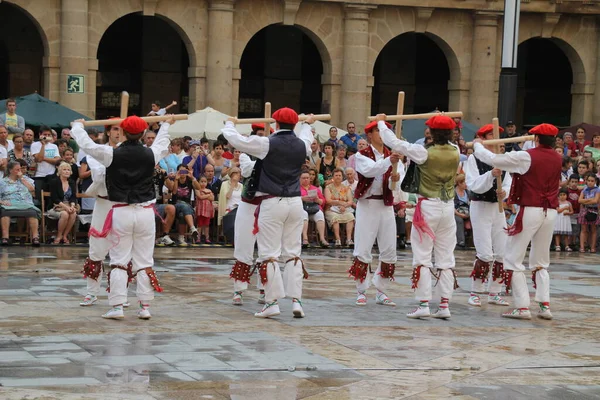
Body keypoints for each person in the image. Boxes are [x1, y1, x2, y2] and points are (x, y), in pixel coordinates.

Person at [71, 115, 173, 320]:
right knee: (144, 260)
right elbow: (162, 142)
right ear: (144, 134)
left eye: (120, 129)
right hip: (143, 210)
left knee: (119, 259)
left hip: (121, 209)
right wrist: (167, 124)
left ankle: (117, 305)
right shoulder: (149, 154)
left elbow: (86, 145)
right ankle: (144, 306)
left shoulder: (110, 154)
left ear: (124, 133)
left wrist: (77, 127)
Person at [222, 108, 314, 319]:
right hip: (295, 203)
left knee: (269, 254)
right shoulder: (302, 145)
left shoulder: (267, 144)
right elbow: (307, 137)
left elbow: (235, 140)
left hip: (272, 202)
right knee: (293, 252)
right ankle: (296, 301)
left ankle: (272, 302)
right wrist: (308, 124)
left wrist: (229, 122)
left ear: (277, 125)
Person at [473, 123, 561, 320]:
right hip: (550, 212)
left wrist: (478, 145)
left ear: (536, 139)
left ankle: (522, 307)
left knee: (512, 258)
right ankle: (544, 306)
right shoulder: (557, 157)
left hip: (531, 209)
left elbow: (494, 159)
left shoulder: (527, 156)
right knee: (540, 261)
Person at [379, 114, 460, 319]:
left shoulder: (423, 152)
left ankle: (424, 304)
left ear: (431, 133)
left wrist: (381, 122)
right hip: (448, 207)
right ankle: (444, 305)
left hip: (428, 207)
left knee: (422, 256)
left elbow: (394, 143)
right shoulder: (456, 150)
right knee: (446, 258)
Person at [349, 119, 402, 307]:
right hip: (368, 205)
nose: (382, 134)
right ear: (370, 135)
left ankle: (381, 290)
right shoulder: (361, 154)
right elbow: (370, 171)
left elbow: (396, 182)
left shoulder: (392, 154)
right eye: (379, 131)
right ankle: (361, 291)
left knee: (389, 249)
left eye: (385, 131)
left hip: (386, 205)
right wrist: (390, 161)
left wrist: (395, 179)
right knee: (363, 247)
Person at [79, 118, 130, 307]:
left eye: (121, 130)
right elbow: (100, 174)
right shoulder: (97, 152)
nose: (118, 133)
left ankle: (119, 294)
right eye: (115, 129)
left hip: (123, 204)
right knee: (96, 248)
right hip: (103, 203)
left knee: (123, 250)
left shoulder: (133, 153)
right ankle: (91, 292)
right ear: (108, 132)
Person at [464, 124, 513, 308]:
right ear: (483, 139)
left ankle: (495, 292)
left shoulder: (503, 159)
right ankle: (475, 292)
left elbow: (508, 182)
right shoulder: (473, 159)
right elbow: (473, 185)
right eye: (491, 135)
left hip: (497, 208)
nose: (496, 139)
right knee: (484, 252)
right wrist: (491, 176)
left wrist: (505, 193)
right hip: (480, 205)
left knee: (502, 251)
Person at [0, 161, 40, 246]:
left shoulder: (26, 179)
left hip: (25, 203)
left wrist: (22, 178)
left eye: (20, 169)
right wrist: (1, 201)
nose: (19, 171)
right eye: (17, 169)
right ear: (10, 170)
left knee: (32, 212)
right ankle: (5, 237)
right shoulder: (2, 182)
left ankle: (35, 237)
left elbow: (32, 190)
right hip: (9, 203)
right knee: (4, 212)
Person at [164, 164, 201, 246]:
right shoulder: (174, 179)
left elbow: (199, 188)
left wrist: (193, 178)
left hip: (186, 207)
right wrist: (176, 180)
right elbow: (174, 192)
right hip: (175, 205)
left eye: (185, 171)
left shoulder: (189, 180)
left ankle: (181, 237)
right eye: (181, 171)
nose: (183, 173)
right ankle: (192, 228)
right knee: (184, 206)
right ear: (178, 172)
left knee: (182, 213)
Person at [47, 162, 78, 244]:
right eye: (64, 169)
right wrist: (66, 207)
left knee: (73, 213)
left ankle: (65, 235)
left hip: (68, 204)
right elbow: (55, 198)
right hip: (56, 206)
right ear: (60, 171)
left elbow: (73, 197)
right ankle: (59, 235)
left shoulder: (72, 182)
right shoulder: (54, 182)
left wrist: (72, 206)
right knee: (65, 214)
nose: (67, 171)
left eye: (68, 170)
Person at [324, 168, 355, 247]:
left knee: (350, 217)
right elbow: (328, 200)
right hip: (331, 209)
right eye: (336, 175)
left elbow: (350, 201)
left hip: (344, 209)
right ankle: (338, 240)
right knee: (335, 218)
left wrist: (344, 205)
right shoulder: (328, 187)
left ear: (342, 177)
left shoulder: (346, 188)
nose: (338, 177)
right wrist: (339, 202)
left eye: (340, 175)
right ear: (333, 177)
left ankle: (349, 239)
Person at [300, 170, 329, 248]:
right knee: (304, 214)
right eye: (303, 178)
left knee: (319, 214)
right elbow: (293, 199)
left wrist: (318, 200)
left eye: (307, 178)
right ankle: (305, 239)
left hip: (314, 208)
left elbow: (323, 201)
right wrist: (302, 198)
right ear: (300, 179)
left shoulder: (315, 188)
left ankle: (322, 239)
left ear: (310, 179)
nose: (306, 179)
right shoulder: (297, 189)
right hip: (302, 209)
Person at [578, 172, 600, 253]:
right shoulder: (584, 189)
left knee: (593, 229)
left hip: (594, 211)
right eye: (589, 180)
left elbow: (596, 200)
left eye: (592, 181)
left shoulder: (598, 189)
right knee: (583, 229)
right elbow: (579, 200)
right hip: (585, 210)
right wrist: (590, 200)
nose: (590, 182)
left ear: (595, 181)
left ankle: (593, 247)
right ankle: (582, 247)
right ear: (586, 181)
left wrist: (585, 201)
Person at [194, 175, 215, 244]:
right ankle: (198, 237)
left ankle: (207, 238)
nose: (203, 183)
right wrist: (208, 196)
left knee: (206, 225)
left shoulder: (209, 190)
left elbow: (212, 198)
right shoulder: (197, 190)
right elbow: (200, 197)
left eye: (205, 182)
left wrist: (206, 196)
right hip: (201, 210)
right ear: (198, 182)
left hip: (207, 210)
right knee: (199, 224)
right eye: (201, 181)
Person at [454, 174, 470, 248]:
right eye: (465, 182)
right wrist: (459, 214)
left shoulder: (468, 192)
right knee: (459, 220)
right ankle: (460, 242)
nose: (466, 184)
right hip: (456, 212)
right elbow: (451, 205)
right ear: (459, 183)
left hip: (467, 211)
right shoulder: (453, 192)